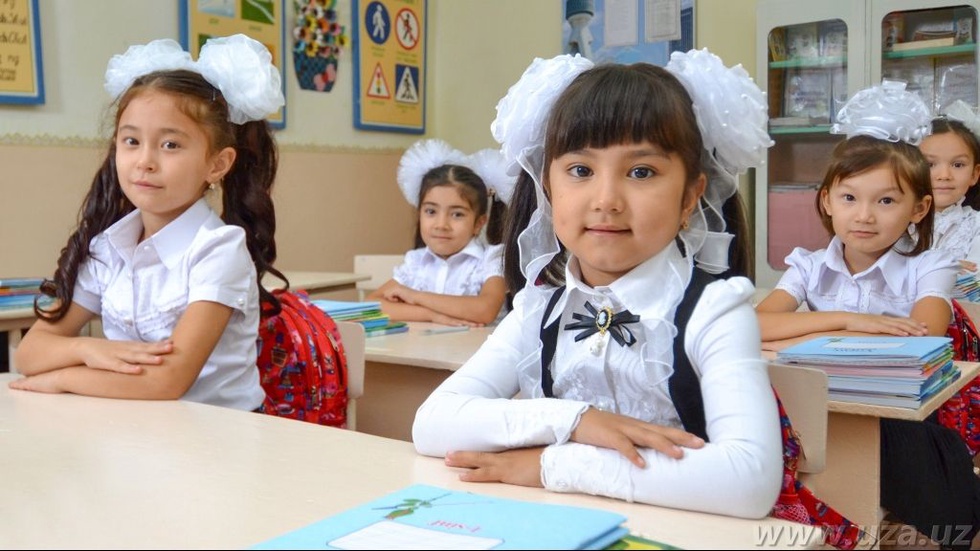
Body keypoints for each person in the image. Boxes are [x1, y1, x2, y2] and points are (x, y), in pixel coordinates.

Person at [412, 50, 784, 519]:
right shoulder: (538, 308)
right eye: (581, 171)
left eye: (641, 172)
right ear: (548, 188)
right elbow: (432, 423)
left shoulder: (715, 311)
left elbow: (749, 482)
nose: (606, 200)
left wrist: (549, 464)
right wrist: (577, 421)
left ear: (691, 195)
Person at [755, 80, 980, 549]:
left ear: (918, 208)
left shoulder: (929, 265)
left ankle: (891, 525)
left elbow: (923, 338)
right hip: (823, 409)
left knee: (930, 482)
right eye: (849, 198)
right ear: (826, 201)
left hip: (900, 415)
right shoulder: (808, 265)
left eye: (886, 201)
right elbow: (756, 324)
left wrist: (809, 333)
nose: (864, 216)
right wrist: (848, 321)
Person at [10, 35, 285, 412]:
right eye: (131, 141)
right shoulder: (108, 247)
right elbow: (30, 353)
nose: (145, 161)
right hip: (137, 426)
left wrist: (62, 378)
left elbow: (166, 381)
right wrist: (87, 349)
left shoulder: (218, 250)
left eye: (170, 145)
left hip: (218, 434)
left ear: (217, 164)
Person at [368, 139, 513, 326]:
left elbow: (484, 310)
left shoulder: (492, 259)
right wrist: (431, 315)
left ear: (478, 223)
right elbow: (371, 305)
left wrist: (414, 296)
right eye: (431, 211)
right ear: (419, 214)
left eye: (457, 214)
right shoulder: (416, 263)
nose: (441, 224)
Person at [920, 100, 980, 273]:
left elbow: (974, 277)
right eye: (930, 165)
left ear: (974, 174)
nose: (944, 175)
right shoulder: (897, 220)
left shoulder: (976, 225)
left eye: (958, 165)